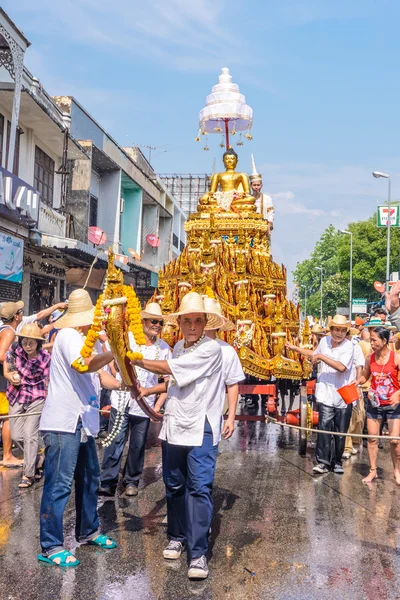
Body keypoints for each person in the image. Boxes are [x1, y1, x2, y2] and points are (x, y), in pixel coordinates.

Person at [130, 292, 225, 579]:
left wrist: (134, 360)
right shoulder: (178, 348)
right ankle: (177, 536)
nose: (193, 326)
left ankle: (197, 553)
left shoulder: (212, 350)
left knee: (199, 488)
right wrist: (148, 391)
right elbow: (173, 383)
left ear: (205, 322)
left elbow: (170, 370)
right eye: (187, 321)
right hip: (175, 425)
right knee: (174, 485)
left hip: (201, 428)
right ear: (180, 323)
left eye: (198, 320)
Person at [38, 289, 116, 568]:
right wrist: (113, 353)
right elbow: (83, 366)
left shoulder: (89, 340)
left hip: (83, 421)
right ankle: (51, 545)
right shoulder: (69, 335)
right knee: (58, 484)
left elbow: (103, 377)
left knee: (89, 479)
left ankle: (87, 530)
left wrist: (128, 384)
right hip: (63, 422)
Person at [99, 302, 171, 497]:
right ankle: (108, 482)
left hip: (144, 406)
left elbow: (169, 380)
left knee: (137, 446)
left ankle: (131, 481)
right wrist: (119, 378)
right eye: (153, 321)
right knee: (115, 441)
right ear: (144, 321)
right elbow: (113, 358)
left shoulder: (164, 348)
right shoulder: (128, 338)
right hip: (121, 400)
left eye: (160, 323)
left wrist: (156, 406)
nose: (156, 325)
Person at [286, 315, 354, 474]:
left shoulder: (348, 346)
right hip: (325, 393)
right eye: (336, 329)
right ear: (331, 330)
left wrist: (322, 357)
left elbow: (341, 367)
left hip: (342, 394)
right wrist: (296, 349)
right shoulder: (324, 342)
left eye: (342, 330)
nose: (339, 333)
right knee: (324, 427)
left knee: (340, 430)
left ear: (346, 332)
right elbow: (314, 355)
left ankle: (336, 461)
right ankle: (323, 462)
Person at [4, 324, 50, 488]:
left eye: (31, 342)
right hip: (16, 394)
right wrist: (10, 376)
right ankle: (38, 457)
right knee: (16, 435)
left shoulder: (45, 358)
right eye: (25, 342)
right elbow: (7, 369)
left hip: (37, 396)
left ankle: (28, 473)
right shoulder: (15, 350)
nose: (27, 346)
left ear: (38, 343)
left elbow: (48, 380)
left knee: (30, 435)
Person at [355, 326, 400, 484]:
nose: (371, 343)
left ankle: (396, 470)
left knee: (395, 441)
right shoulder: (370, 358)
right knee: (372, 439)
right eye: (370, 340)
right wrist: (358, 381)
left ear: (385, 341)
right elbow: (366, 376)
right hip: (374, 404)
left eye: (374, 340)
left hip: (393, 405)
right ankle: (373, 471)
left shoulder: (396, 358)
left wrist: (398, 393)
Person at [0, 302, 24, 467]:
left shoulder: (4, 330)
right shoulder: (9, 332)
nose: (22, 314)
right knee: (7, 417)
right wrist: (16, 365)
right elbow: (2, 355)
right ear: (16, 316)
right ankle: (7, 455)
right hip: (3, 380)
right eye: (20, 312)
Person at [342, 330, 366, 459]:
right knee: (346, 416)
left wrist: (357, 386)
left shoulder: (354, 347)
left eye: (344, 333)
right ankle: (346, 446)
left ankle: (355, 441)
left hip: (352, 385)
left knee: (358, 416)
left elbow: (359, 367)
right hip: (339, 386)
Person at [249, 154, 274, 232]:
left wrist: (269, 223)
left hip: (263, 228)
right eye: (254, 185)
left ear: (261, 185)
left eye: (258, 185)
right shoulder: (248, 198)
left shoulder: (267, 198)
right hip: (251, 227)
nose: (256, 187)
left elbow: (270, 212)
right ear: (251, 186)